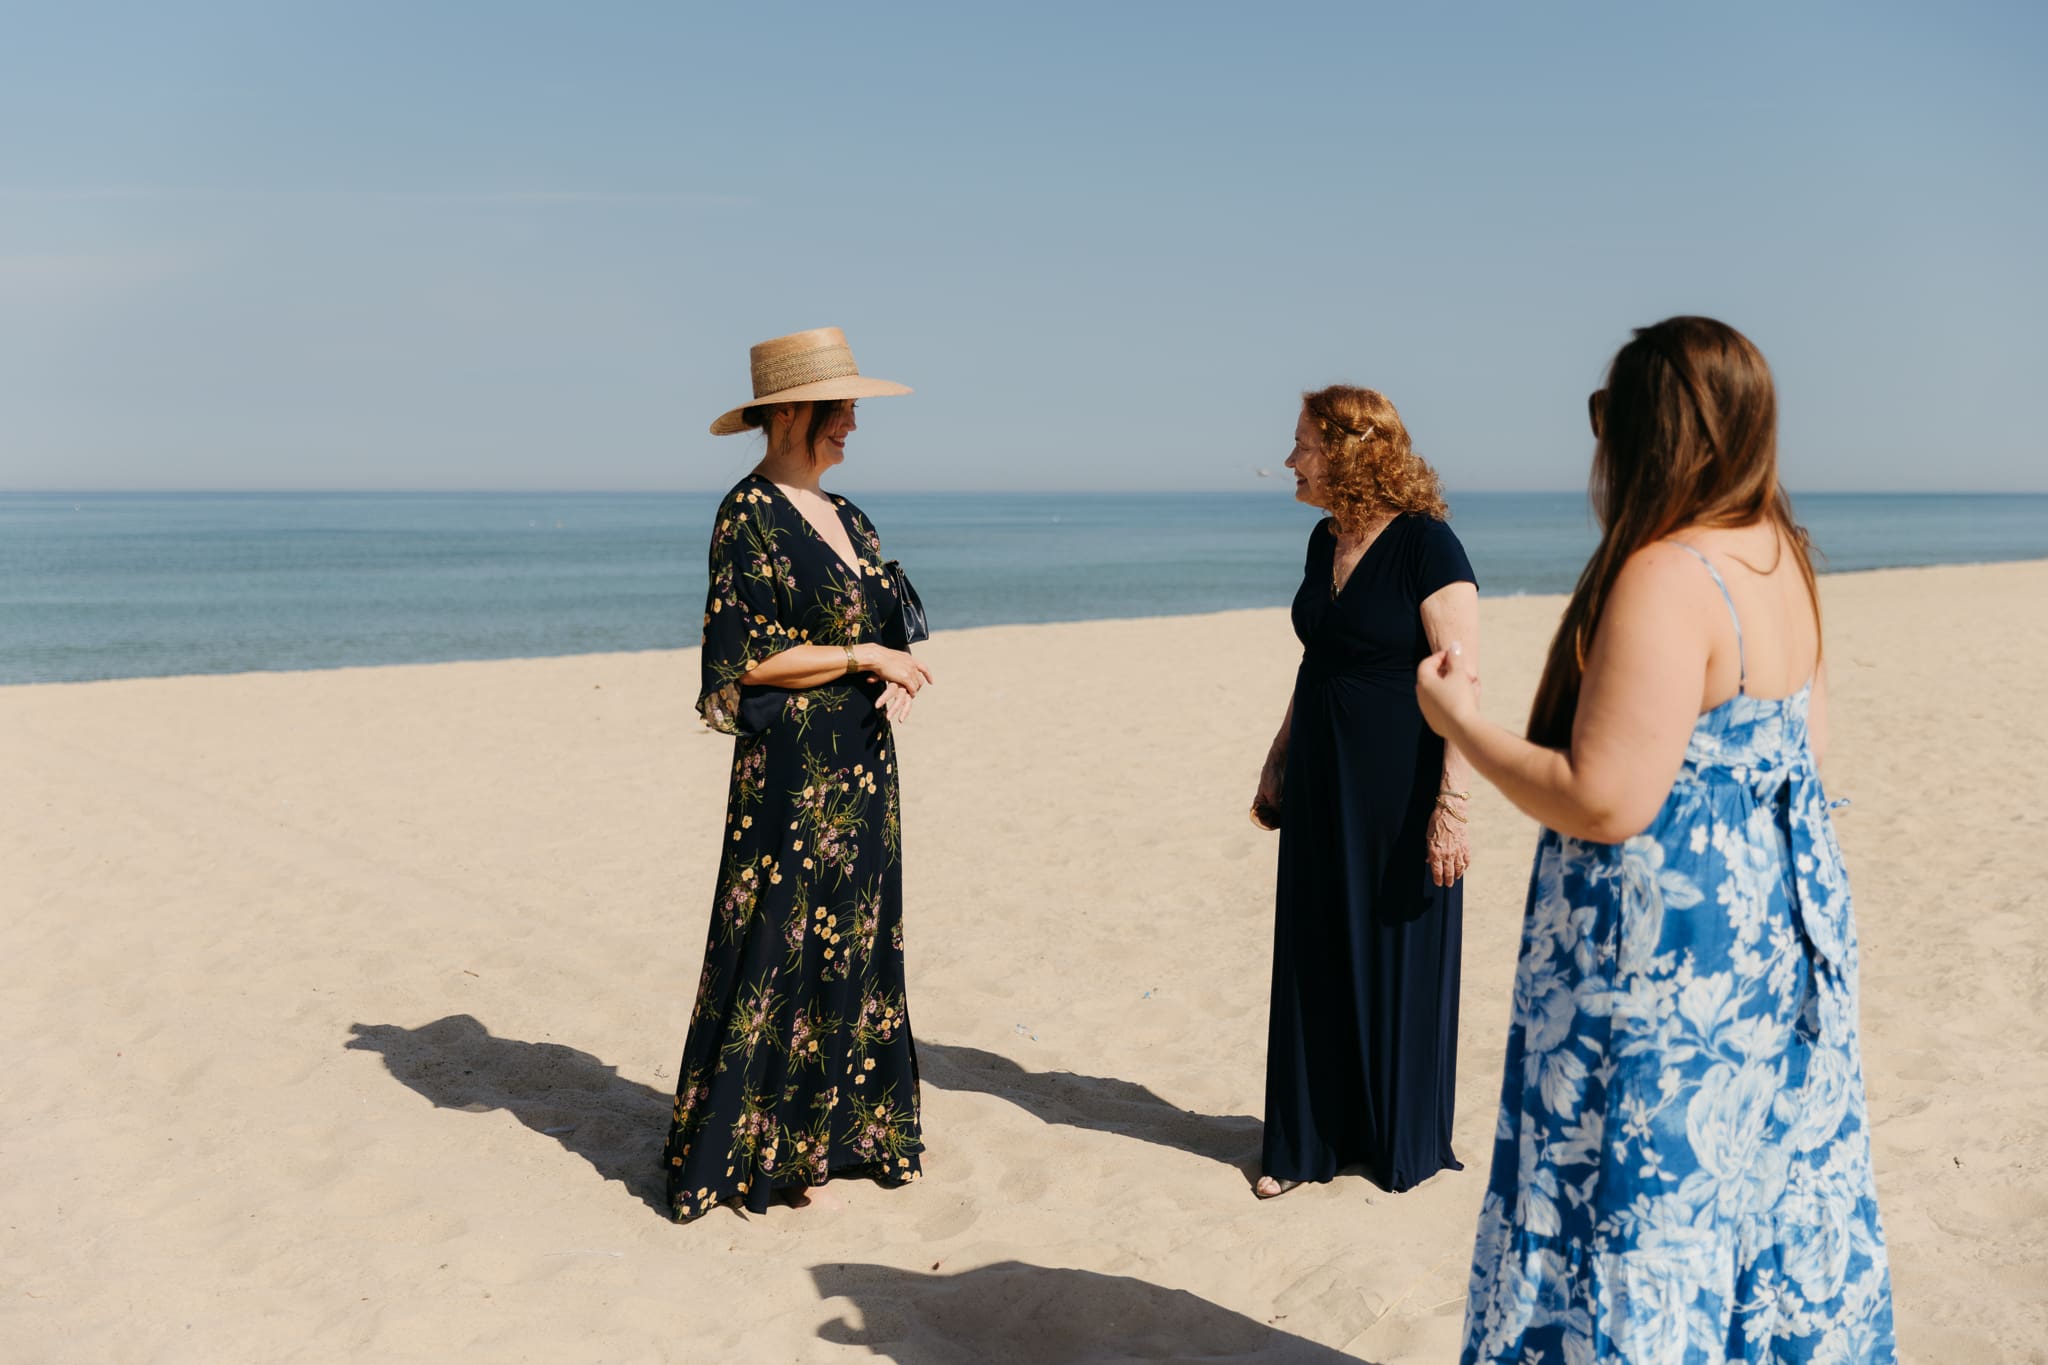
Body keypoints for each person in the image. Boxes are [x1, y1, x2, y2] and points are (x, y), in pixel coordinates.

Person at [1415, 317, 1896, 1361]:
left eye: (1606, 421)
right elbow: (1800, 750)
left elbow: (1602, 801)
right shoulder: (1778, 556)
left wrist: (1460, 725)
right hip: (1771, 934)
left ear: (1650, 435)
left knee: (1632, 1204)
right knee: (1746, 1199)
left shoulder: (1667, 576)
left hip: (1664, 961)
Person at [661, 326, 935, 1222]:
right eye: (840, 405)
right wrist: (862, 653)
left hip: (862, 764)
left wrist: (891, 672)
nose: (853, 421)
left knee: (853, 940)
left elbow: (885, 629)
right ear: (787, 413)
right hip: (791, 769)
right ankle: (758, 1144)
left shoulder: (851, 516)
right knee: (778, 941)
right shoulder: (745, 514)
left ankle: (824, 1134)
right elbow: (740, 660)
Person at [1251, 384, 1480, 1199]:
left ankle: (1394, 1138)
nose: (1290, 461)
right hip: (1320, 769)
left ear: (1349, 451)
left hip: (1401, 778)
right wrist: (1279, 753)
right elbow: (1318, 657)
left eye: (1302, 446)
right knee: (1314, 942)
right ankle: (1305, 1141)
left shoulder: (1428, 545)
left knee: (1392, 943)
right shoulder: (1324, 540)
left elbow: (1464, 682)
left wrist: (1451, 805)